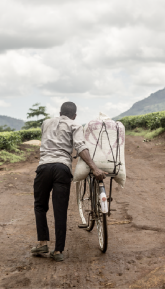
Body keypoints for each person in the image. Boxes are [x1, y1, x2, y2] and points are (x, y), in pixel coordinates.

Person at [30, 102, 107, 262]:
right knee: (60, 210)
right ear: (75, 115)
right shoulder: (76, 125)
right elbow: (80, 146)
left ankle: (42, 242)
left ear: (60, 112)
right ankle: (58, 251)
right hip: (62, 169)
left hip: (43, 167)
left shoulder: (46, 123)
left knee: (40, 206)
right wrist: (94, 168)